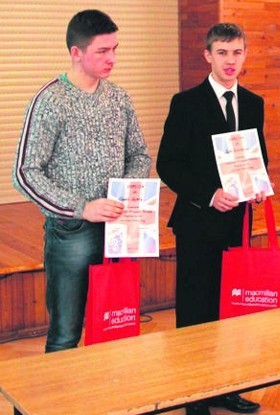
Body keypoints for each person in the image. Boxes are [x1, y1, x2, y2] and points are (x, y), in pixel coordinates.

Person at [12, 9, 151, 353]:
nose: (112, 59)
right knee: (65, 334)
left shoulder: (119, 99)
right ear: (76, 53)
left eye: (115, 49)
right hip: (71, 233)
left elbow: (141, 155)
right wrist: (82, 208)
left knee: (115, 327)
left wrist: (126, 194)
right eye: (102, 51)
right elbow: (26, 173)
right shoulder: (50, 101)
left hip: (118, 230)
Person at [156, 23, 265, 415]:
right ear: (208, 55)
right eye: (222, 53)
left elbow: (258, 158)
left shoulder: (254, 103)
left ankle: (225, 388)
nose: (230, 60)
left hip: (237, 224)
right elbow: (167, 164)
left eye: (237, 53)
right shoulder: (185, 103)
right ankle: (194, 398)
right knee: (195, 310)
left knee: (230, 312)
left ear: (244, 55)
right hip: (198, 222)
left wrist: (258, 185)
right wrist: (209, 194)